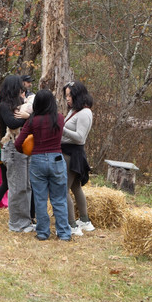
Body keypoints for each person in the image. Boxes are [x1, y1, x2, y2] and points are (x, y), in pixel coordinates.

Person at [15, 89, 71, 241]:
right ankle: (64, 233)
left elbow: (18, 143)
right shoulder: (59, 118)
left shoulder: (33, 120)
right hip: (57, 159)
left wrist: (26, 151)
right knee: (59, 198)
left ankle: (43, 232)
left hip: (38, 159)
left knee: (40, 198)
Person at [0, 76, 32, 231]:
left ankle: (25, 221)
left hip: (24, 147)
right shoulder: (3, 106)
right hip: (12, 148)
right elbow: (12, 123)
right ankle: (16, 223)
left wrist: (28, 117)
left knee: (26, 186)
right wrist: (28, 119)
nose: (22, 89)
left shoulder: (22, 103)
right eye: (20, 86)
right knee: (16, 186)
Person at [62, 81, 95, 236]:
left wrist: (61, 128)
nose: (67, 98)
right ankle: (84, 220)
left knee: (64, 190)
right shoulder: (75, 110)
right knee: (75, 187)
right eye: (66, 95)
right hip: (69, 152)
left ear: (78, 95)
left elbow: (80, 138)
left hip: (72, 154)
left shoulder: (85, 113)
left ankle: (72, 225)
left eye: (70, 95)